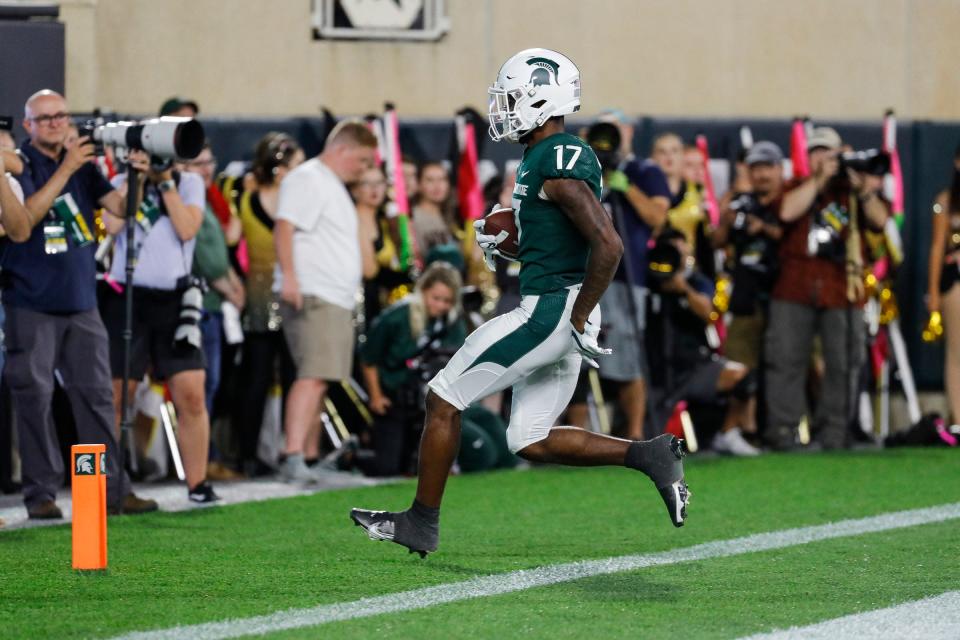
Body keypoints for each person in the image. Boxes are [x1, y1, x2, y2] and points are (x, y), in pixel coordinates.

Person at [351, 48, 689, 558]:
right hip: (565, 304)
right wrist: (519, 237)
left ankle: (420, 522)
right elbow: (567, 234)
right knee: (529, 439)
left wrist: (575, 316)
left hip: (552, 309)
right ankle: (649, 455)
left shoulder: (554, 156)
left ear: (541, 99)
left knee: (443, 397)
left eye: (512, 98)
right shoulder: (545, 155)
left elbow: (609, 243)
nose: (504, 109)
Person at [2, 90, 156, 518]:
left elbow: (121, 210)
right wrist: (66, 167)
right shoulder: (19, 163)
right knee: (34, 398)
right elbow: (24, 221)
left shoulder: (85, 169)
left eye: (61, 116)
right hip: (29, 300)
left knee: (96, 399)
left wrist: (136, 175)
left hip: (81, 301)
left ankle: (113, 489)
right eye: (44, 118)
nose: (54, 123)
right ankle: (41, 494)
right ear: (27, 125)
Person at [101, 146, 219, 504]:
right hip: (127, 298)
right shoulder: (121, 181)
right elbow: (114, 224)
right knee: (120, 394)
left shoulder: (189, 184)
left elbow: (186, 228)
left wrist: (165, 181)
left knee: (191, 393)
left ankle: (197, 484)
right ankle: (114, 485)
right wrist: (136, 178)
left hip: (174, 298)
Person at [765, 127, 890, 450]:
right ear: (808, 157)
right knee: (786, 359)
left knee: (844, 361)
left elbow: (880, 221)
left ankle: (835, 432)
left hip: (841, 287)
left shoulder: (850, 188)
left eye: (829, 152)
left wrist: (863, 189)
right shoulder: (797, 185)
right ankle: (785, 432)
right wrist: (818, 180)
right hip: (795, 286)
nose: (823, 158)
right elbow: (787, 211)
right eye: (817, 152)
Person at [274, 120, 377, 482]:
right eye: (363, 160)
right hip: (314, 292)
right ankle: (292, 456)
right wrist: (289, 276)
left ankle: (309, 456)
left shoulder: (328, 184)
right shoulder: (309, 178)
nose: (364, 169)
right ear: (343, 150)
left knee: (323, 378)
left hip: (332, 296)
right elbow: (285, 226)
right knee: (312, 376)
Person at [586, 119, 670, 440]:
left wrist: (625, 186)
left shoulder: (644, 171)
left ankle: (635, 436)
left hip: (626, 276)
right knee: (576, 359)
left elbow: (658, 218)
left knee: (627, 356)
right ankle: (577, 434)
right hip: (585, 273)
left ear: (629, 134)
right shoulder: (583, 169)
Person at [646, 230, 759, 456]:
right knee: (647, 440)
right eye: (670, 249)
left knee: (743, 378)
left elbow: (709, 314)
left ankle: (727, 434)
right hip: (654, 370)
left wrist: (683, 289)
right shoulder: (646, 279)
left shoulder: (696, 281)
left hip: (695, 366)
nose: (674, 255)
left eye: (679, 248)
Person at [233, 132, 302, 476]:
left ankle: (272, 453)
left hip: (275, 297)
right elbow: (231, 239)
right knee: (265, 380)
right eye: (297, 165)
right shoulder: (258, 198)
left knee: (277, 379)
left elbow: (232, 239)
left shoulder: (253, 199)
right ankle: (261, 453)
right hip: (275, 298)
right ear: (281, 169)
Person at [360, 262, 467, 476]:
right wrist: (376, 396)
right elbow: (368, 357)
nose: (441, 306)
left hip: (426, 402)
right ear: (423, 290)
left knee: (417, 466)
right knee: (387, 467)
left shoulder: (451, 321)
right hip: (394, 398)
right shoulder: (397, 316)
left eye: (447, 301)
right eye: (436, 298)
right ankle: (352, 454)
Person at [711, 141, 785, 442]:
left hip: (784, 297)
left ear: (780, 169)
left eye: (767, 167)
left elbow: (788, 236)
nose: (762, 175)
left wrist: (763, 229)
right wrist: (727, 221)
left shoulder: (788, 203)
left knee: (786, 367)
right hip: (746, 297)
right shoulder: (741, 203)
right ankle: (743, 429)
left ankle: (782, 430)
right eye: (756, 168)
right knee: (741, 365)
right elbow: (715, 242)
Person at [181, 143, 246, 481]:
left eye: (209, 162)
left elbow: (224, 249)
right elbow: (207, 260)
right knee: (201, 389)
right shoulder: (188, 201)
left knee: (212, 386)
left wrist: (233, 286)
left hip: (213, 306)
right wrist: (230, 288)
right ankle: (200, 464)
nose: (205, 169)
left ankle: (207, 458)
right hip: (200, 307)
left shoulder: (207, 200)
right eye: (197, 162)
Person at [926, 143, 960, 425]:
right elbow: (937, 248)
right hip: (956, 281)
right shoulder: (946, 201)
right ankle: (959, 418)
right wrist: (934, 291)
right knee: (957, 351)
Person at [411, 162, 456, 253]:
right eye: (430, 180)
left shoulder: (452, 217)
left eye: (442, 179)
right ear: (418, 184)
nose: (437, 186)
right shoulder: (412, 217)